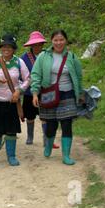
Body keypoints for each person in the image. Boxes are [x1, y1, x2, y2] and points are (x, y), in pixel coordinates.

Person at [31, 30, 84, 165]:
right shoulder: (44, 56)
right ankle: (48, 145)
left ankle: (66, 155)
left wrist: (80, 93)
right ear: (52, 41)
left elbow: (78, 76)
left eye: (61, 40)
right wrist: (35, 93)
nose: (59, 43)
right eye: (56, 40)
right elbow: (36, 75)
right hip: (49, 94)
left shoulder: (72, 57)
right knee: (51, 125)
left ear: (65, 41)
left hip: (68, 94)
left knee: (67, 124)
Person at [0, 34, 30, 166]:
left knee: (11, 130)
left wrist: (19, 91)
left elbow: (27, 79)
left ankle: (11, 155)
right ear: (1, 48)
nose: (6, 49)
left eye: (9, 46)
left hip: (12, 102)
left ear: (14, 49)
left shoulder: (19, 62)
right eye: (4, 46)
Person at [21, 31, 59, 149]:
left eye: (39, 44)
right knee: (30, 116)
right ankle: (30, 136)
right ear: (30, 45)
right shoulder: (24, 58)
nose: (37, 46)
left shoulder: (48, 55)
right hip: (29, 91)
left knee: (45, 116)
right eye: (34, 44)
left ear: (42, 44)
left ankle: (46, 139)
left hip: (46, 90)